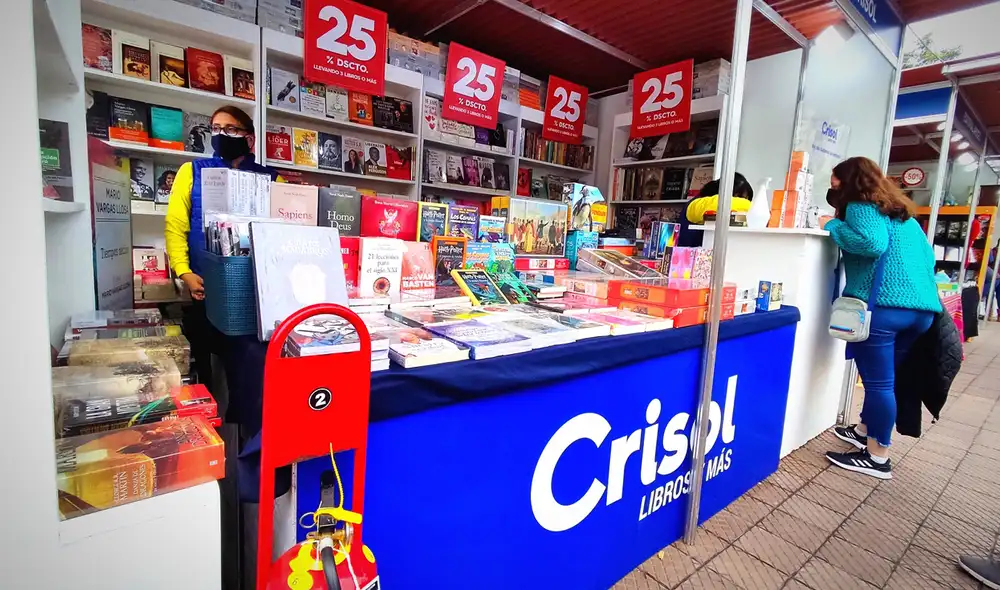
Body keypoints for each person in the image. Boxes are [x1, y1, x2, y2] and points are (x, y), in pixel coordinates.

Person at [820, 156, 941, 479]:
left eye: (835, 183)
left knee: (879, 384)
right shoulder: (903, 216)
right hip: (922, 312)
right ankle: (864, 430)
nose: (833, 190)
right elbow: (928, 257)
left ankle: (877, 457)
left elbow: (872, 243)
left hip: (884, 308)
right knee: (887, 380)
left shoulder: (861, 205)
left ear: (850, 182)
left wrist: (832, 226)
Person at [164, 106, 281, 388]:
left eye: (230, 130)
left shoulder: (273, 179)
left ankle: (246, 425)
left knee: (250, 371)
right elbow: (175, 225)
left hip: (253, 294)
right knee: (206, 371)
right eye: (215, 129)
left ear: (250, 139)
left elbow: (283, 233)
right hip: (203, 286)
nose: (221, 135)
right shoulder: (190, 171)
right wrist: (184, 272)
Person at [678, 173, 754, 247]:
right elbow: (721, 203)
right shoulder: (698, 203)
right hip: (686, 255)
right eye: (738, 198)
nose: (742, 202)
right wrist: (756, 207)